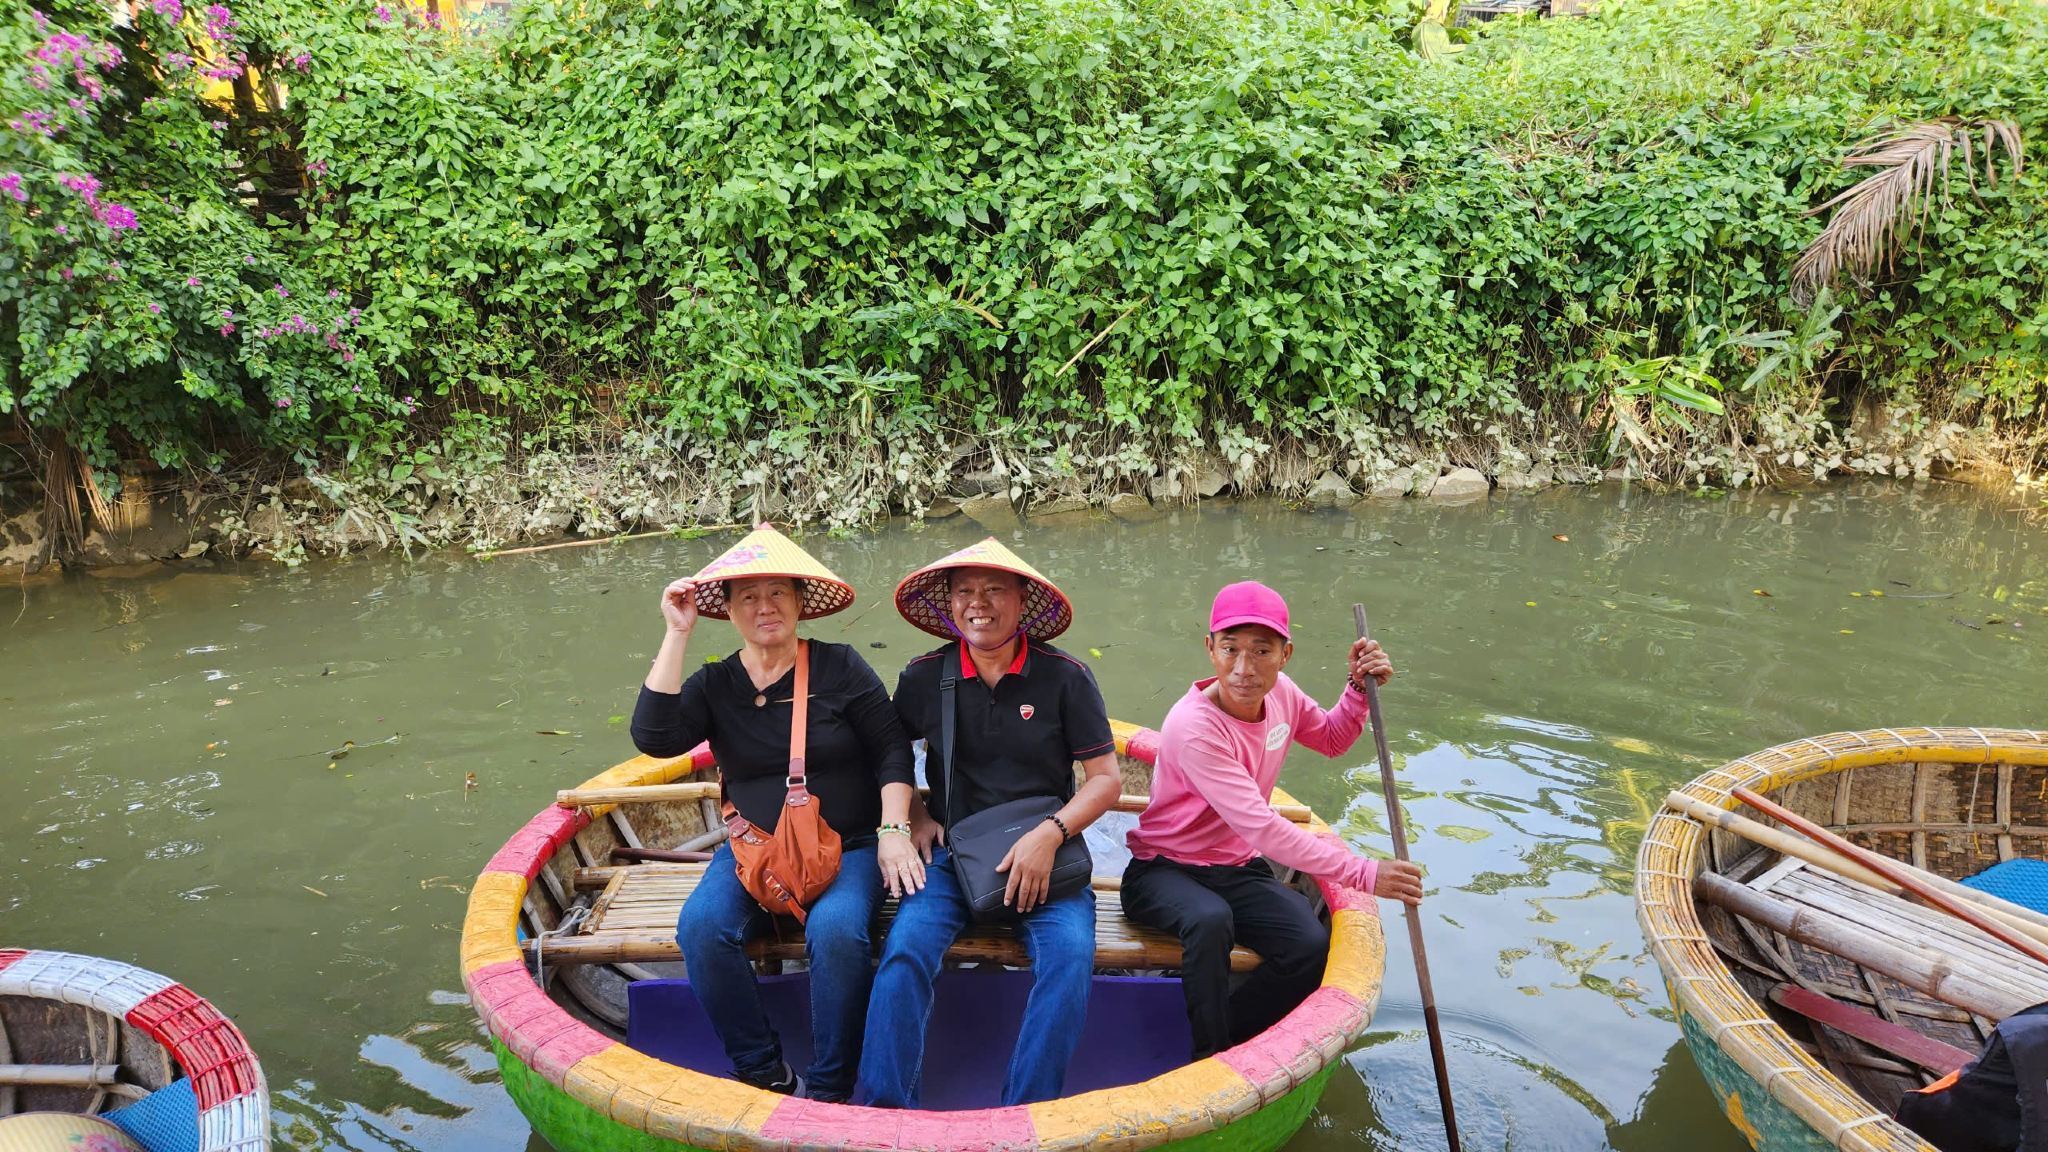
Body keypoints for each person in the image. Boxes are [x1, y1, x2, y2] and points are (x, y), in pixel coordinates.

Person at [630, 524, 916, 1102]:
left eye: (778, 593)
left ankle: (832, 1088)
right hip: (753, 848)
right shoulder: (714, 683)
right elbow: (654, 737)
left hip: (852, 845)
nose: (766, 608)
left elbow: (892, 750)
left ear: (800, 602)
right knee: (703, 928)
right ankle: (764, 1072)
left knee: (837, 931)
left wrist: (893, 830)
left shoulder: (840, 667)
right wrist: (676, 633)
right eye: (749, 597)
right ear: (730, 611)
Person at [855, 538, 1122, 1108]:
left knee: (1071, 958)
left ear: (1023, 599)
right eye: (964, 592)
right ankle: (881, 1112)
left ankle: (1024, 1114)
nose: (978, 603)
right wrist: (916, 816)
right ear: (950, 603)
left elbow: (1105, 779)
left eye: (994, 589)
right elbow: (889, 756)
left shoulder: (1066, 676)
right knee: (904, 951)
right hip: (955, 855)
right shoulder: (925, 676)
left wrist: (1051, 834)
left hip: (1047, 858)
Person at [1122, 580, 1425, 1061]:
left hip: (1235, 868)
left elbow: (1330, 739)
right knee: (1209, 919)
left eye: (1261, 651)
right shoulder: (1194, 727)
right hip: (1162, 869)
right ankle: (1209, 1054)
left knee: (1308, 945)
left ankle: (1236, 1038)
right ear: (1210, 649)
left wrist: (1356, 691)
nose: (1244, 668)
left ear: (1285, 654)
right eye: (1231, 649)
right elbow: (1262, 828)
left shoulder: (1281, 693)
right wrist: (1366, 874)